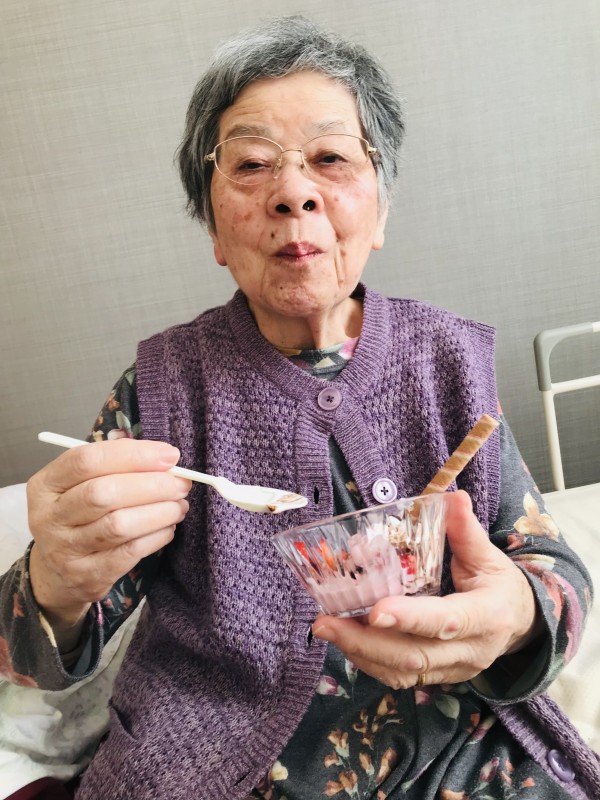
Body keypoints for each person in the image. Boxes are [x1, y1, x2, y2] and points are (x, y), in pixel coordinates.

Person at [1, 15, 598, 800]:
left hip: (457, 752)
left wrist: (516, 613)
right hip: (209, 767)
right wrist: (52, 580)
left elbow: (549, 568)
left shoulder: (446, 362)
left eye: (330, 158)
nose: (293, 192)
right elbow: (39, 655)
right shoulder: (163, 389)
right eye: (252, 164)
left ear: (380, 208)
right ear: (214, 227)